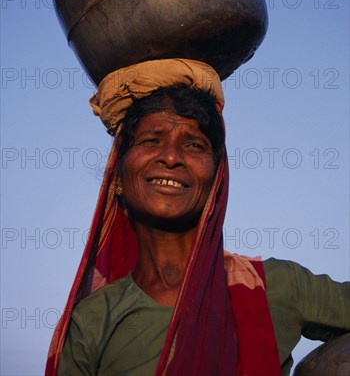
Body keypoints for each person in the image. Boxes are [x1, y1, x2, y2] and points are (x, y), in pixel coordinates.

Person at [46, 59, 349, 376]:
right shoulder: (95, 320)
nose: (172, 157)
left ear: (217, 180)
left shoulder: (275, 286)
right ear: (118, 174)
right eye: (151, 140)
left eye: (194, 145)